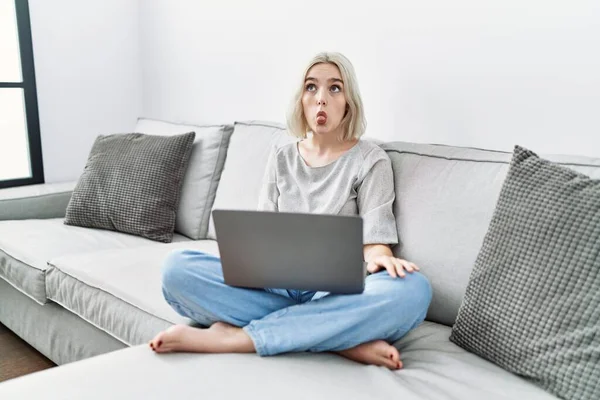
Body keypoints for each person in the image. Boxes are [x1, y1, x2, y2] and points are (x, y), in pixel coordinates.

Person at [149, 52, 432, 370]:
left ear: (349, 101)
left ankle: (239, 338)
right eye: (311, 88)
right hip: (273, 283)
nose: (321, 99)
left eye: (334, 88)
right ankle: (339, 338)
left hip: (335, 292)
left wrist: (380, 256)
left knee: (414, 290)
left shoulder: (371, 160)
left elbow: (376, 241)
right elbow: (261, 237)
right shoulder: (281, 155)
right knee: (177, 269)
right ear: (300, 99)